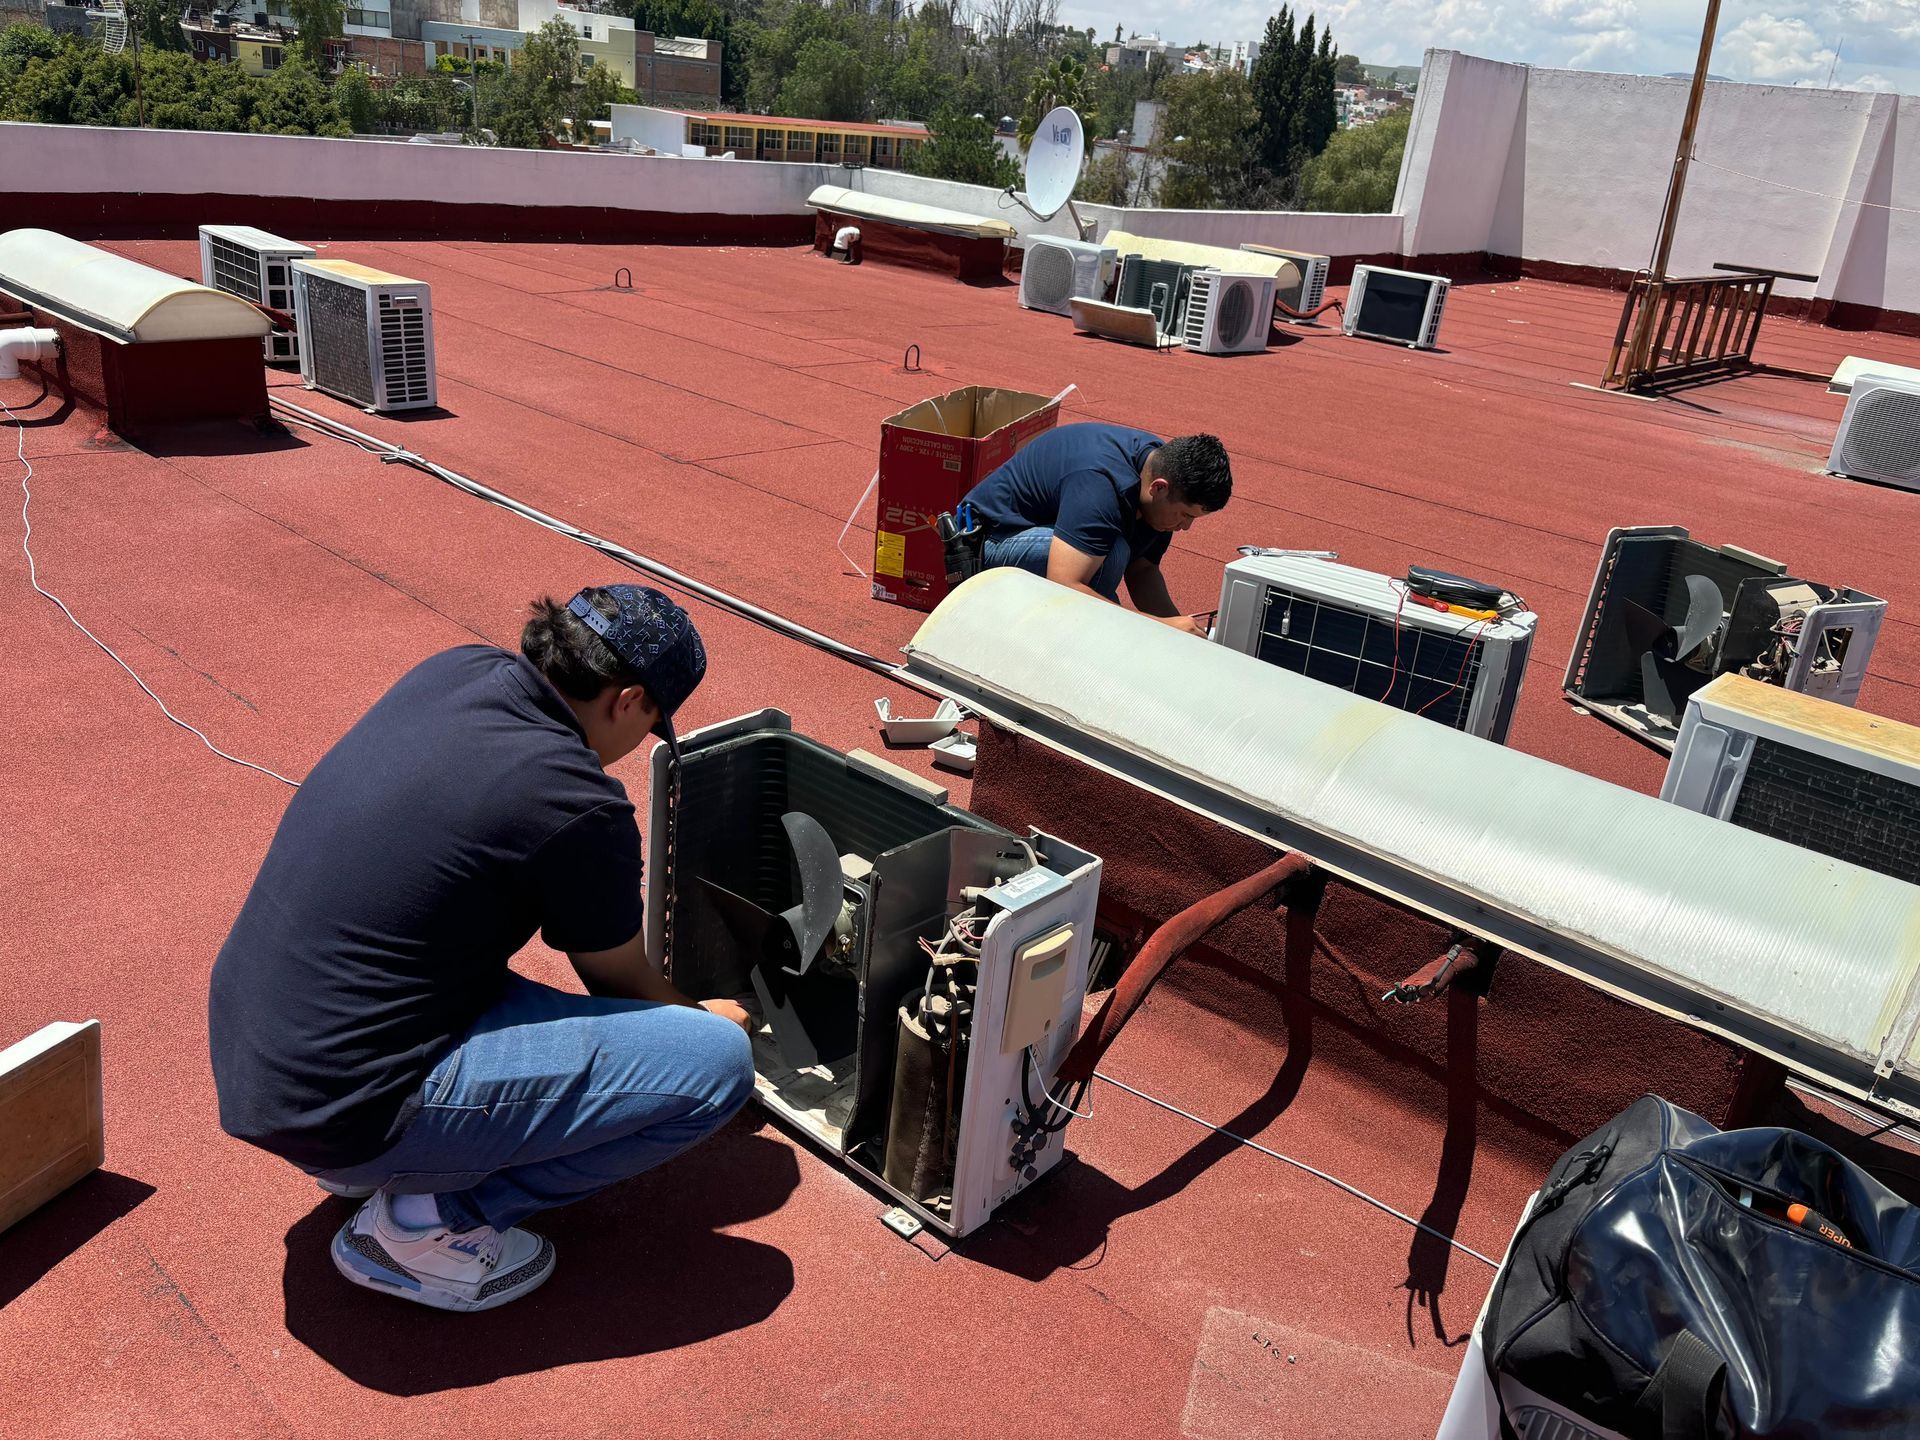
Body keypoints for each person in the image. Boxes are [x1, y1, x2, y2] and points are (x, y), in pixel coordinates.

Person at [208, 584, 755, 1313]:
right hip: (345, 1103)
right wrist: (706, 1017)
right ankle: (421, 1228)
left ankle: (381, 1165)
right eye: (654, 724)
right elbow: (619, 979)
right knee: (716, 1067)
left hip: (262, 1045)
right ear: (627, 701)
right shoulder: (578, 802)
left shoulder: (455, 669)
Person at [961, 424, 1232, 634]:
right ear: (1159, 488)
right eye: (1185, 515)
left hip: (1037, 536)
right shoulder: (1101, 483)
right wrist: (1154, 627)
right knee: (1110, 553)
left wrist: (1181, 631)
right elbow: (1065, 582)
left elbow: (1143, 571)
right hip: (985, 544)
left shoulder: (1162, 475)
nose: (1185, 527)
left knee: (1112, 553)